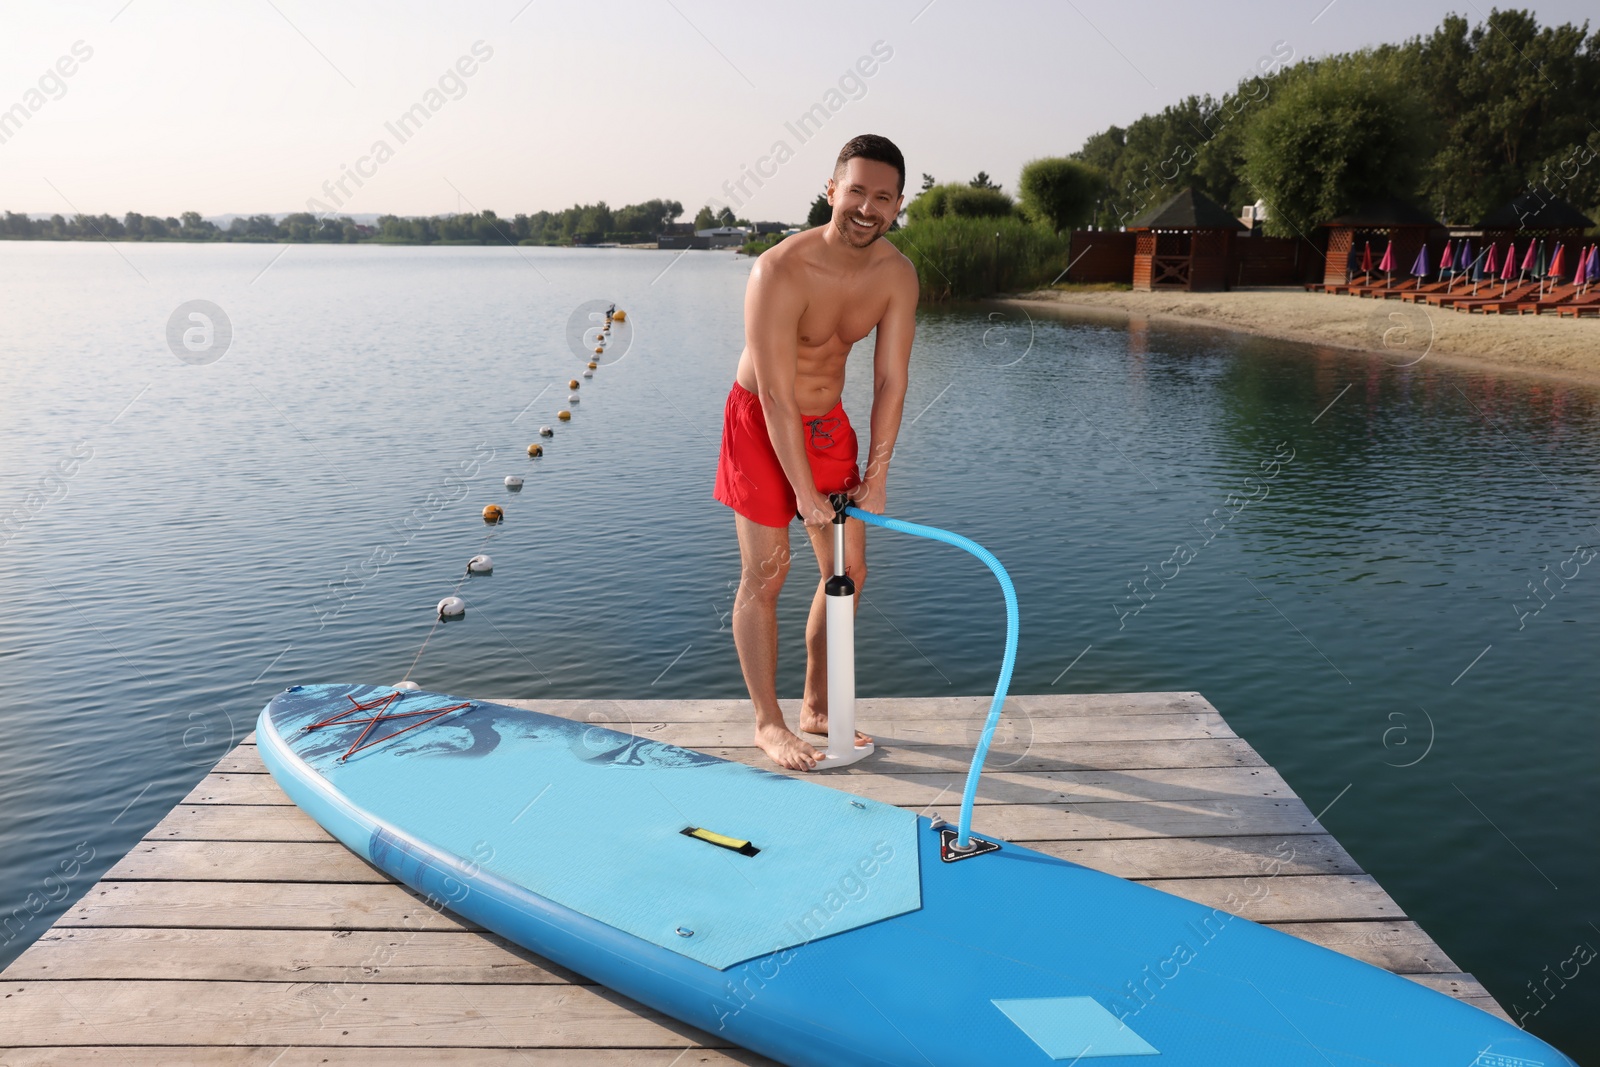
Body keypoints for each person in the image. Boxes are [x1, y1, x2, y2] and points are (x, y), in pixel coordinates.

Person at [712, 133, 918, 771]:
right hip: (760, 423)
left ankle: (816, 706)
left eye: (882, 197)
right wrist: (804, 496)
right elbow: (774, 392)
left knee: (848, 575)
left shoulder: (896, 275)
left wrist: (876, 478)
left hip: (827, 425)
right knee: (767, 574)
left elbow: (891, 380)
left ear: (897, 205)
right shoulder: (778, 269)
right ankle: (768, 724)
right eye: (855, 190)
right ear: (832, 190)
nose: (866, 207)